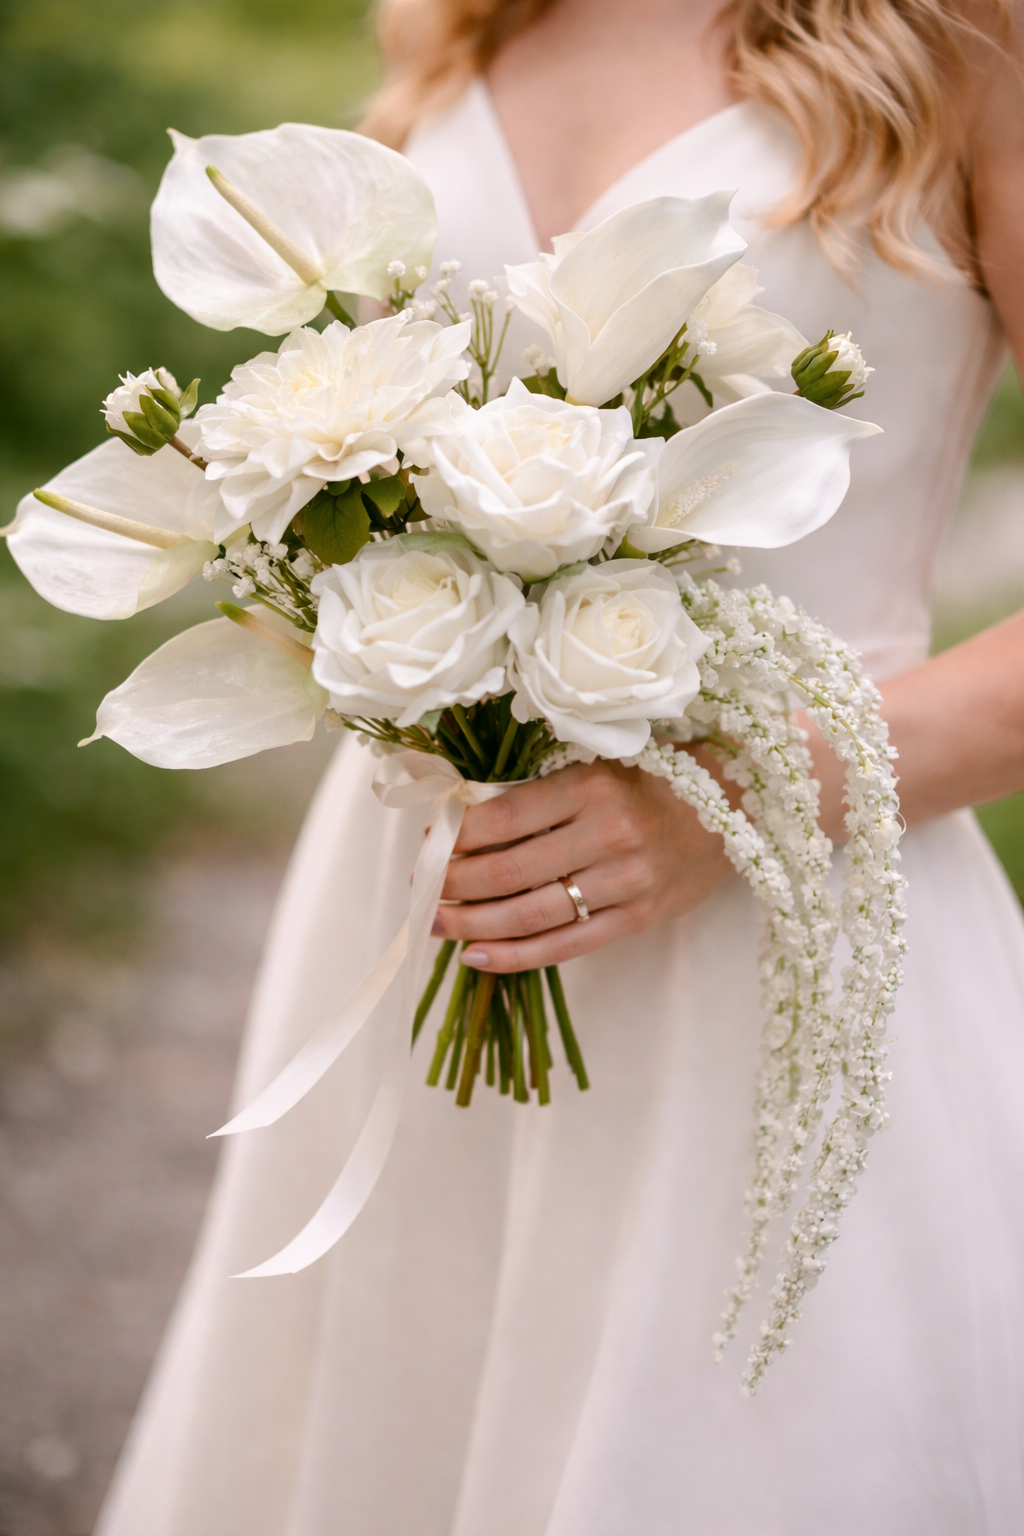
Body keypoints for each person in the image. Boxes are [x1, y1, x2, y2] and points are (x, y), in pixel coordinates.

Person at [97, 1, 1024, 1532]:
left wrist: (739, 799)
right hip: (423, 910)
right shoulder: (457, 22)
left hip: (794, 924)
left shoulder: (960, 37)